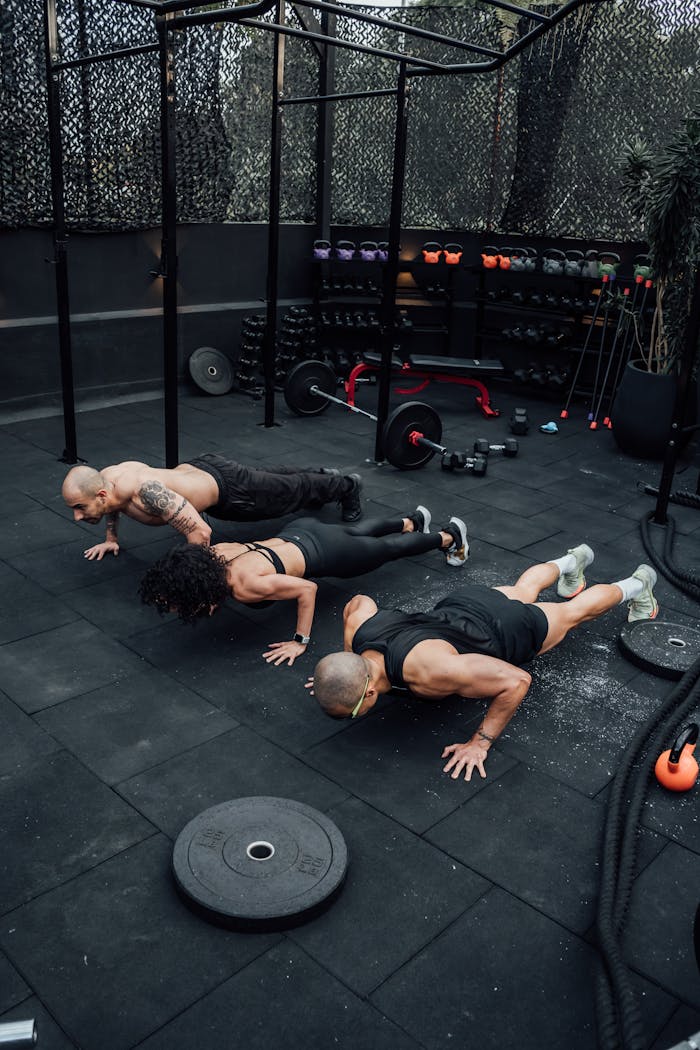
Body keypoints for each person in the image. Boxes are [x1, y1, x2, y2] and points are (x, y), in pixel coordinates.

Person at [309, 544, 659, 781]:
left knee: (572, 612)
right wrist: (342, 671)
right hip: (463, 605)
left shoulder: (432, 673)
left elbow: (516, 681)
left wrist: (480, 743)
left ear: (369, 692)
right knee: (524, 589)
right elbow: (359, 601)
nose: (350, 719)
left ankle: (638, 584)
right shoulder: (360, 632)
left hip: (507, 629)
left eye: (349, 713)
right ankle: (573, 560)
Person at [138, 507, 469, 666]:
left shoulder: (244, 586)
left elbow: (305, 590)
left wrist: (299, 641)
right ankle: (410, 521)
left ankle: (448, 536)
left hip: (330, 554)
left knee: (388, 550)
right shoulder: (215, 556)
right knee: (358, 530)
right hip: (300, 531)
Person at [61, 455, 363, 559]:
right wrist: (110, 539)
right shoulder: (110, 481)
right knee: (272, 481)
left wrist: (199, 582)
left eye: (79, 507)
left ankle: (348, 486)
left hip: (230, 492)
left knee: (286, 495)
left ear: (99, 493)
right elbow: (110, 506)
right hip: (202, 469)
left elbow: (201, 533)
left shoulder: (145, 492)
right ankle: (323, 475)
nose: (77, 516)